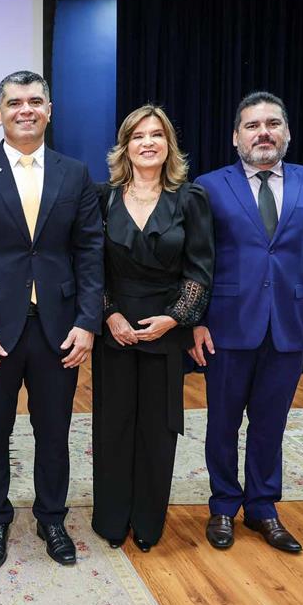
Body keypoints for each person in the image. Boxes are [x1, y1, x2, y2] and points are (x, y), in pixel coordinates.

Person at [0, 70, 104, 569]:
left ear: (49, 111)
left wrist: (88, 322)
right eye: (15, 103)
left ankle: (51, 518)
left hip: (60, 329)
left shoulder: (74, 173)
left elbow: (90, 252)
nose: (26, 110)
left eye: (35, 101)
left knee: (54, 434)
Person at [192, 92, 303, 553]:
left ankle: (263, 508)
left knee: (270, 423)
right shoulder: (208, 186)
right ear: (235, 137)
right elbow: (197, 261)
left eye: (273, 124)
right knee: (222, 423)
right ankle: (223, 505)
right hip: (225, 326)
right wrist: (195, 321)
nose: (264, 133)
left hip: (288, 326)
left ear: (287, 133)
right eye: (253, 125)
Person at [91, 105, 214, 552]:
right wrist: (109, 315)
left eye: (156, 135)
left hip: (165, 330)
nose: (147, 143)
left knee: (157, 431)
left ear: (168, 145)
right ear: (125, 146)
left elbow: (200, 268)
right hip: (115, 330)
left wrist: (175, 318)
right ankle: (111, 519)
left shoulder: (191, 198)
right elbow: (91, 266)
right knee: (113, 426)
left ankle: (147, 521)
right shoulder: (102, 197)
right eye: (138, 136)